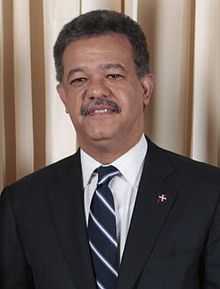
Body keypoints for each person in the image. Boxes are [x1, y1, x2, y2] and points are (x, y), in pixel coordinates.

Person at [1, 9, 220, 289]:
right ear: (64, 97)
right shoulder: (21, 204)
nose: (96, 91)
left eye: (113, 75)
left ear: (145, 89)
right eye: (79, 80)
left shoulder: (209, 193)